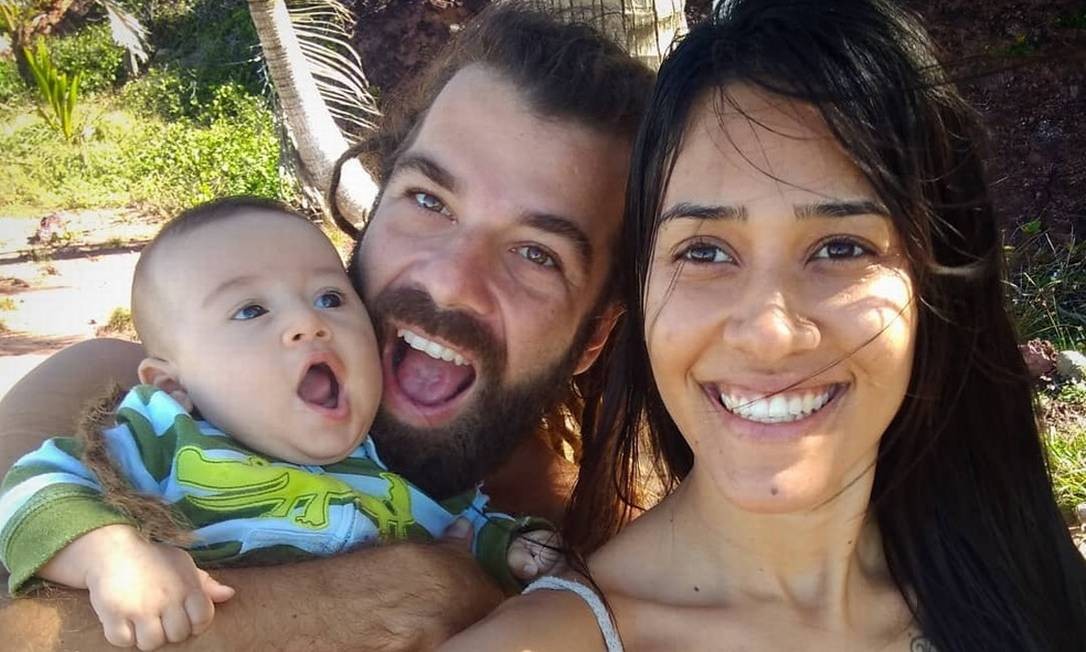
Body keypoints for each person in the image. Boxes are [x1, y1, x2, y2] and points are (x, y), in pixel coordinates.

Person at [0, 5, 653, 650]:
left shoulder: (599, 554)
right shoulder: (113, 403)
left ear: (594, 336)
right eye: (429, 200)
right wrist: (390, 596)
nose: (450, 281)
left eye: (537, 253)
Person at [442, 1, 1086, 650]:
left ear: (933, 287)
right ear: (640, 293)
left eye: (840, 248)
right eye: (704, 252)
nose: (768, 333)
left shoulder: (1028, 581)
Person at [0, 197, 563, 650]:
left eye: (329, 297)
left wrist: (513, 546)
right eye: (251, 311)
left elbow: (465, 529)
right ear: (173, 384)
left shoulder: (392, 461)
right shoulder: (163, 435)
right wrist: (111, 554)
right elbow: (33, 487)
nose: (306, 322)